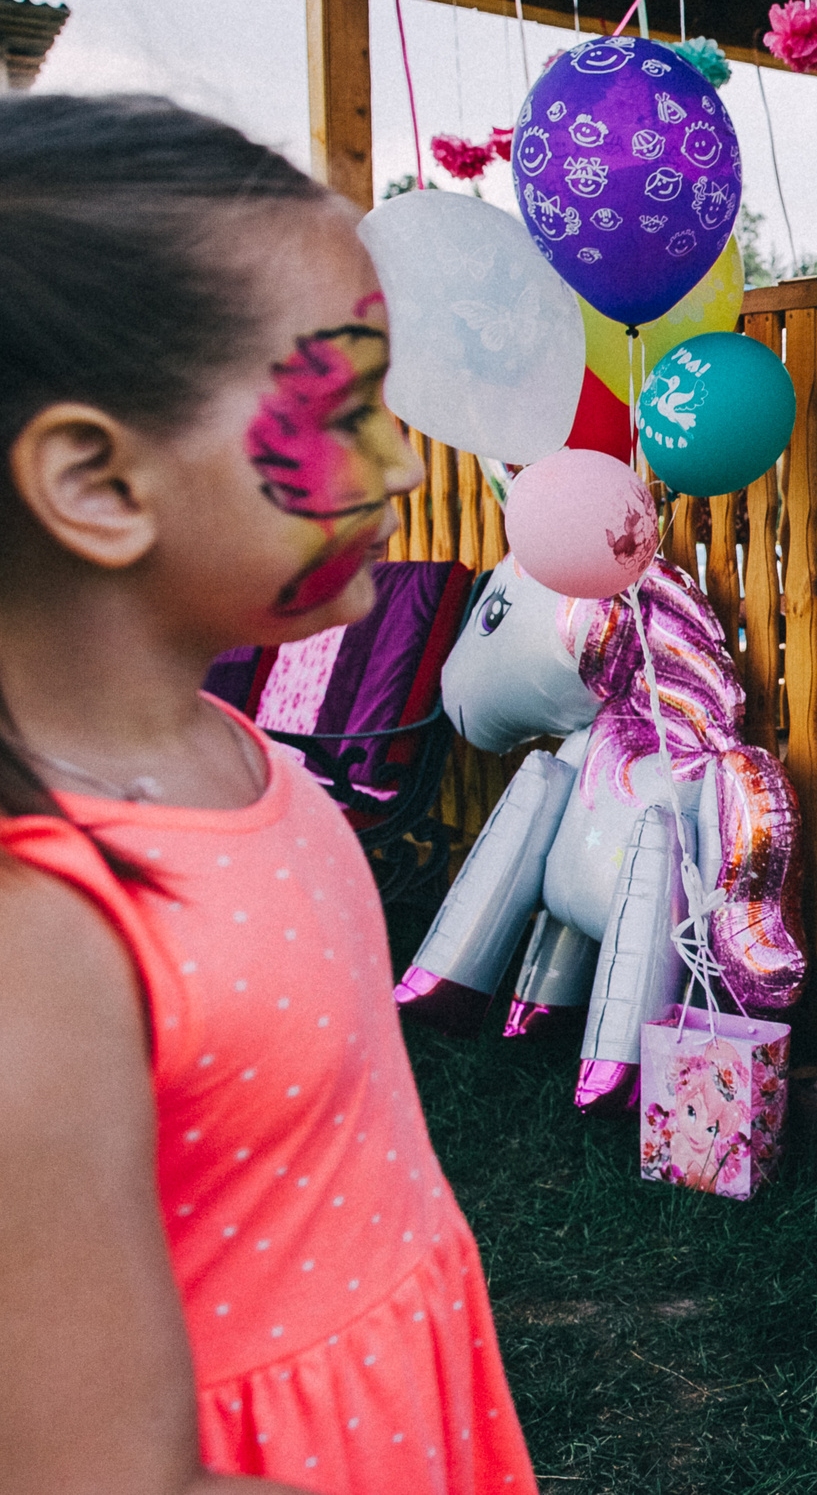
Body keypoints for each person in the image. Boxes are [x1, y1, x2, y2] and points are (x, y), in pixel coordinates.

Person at [0, 94, 537, 1493]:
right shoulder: (36, 934)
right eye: (348, 407)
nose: (406, 460)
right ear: (98, 482)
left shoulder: (233, 749)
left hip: (398, 1391)